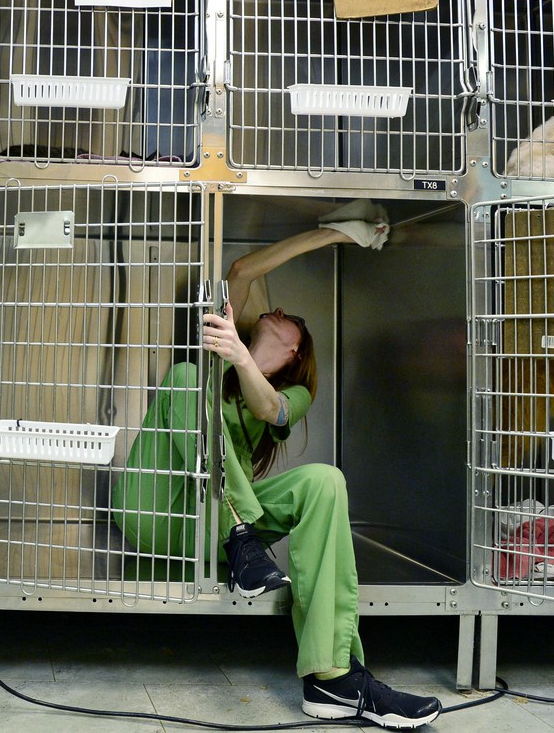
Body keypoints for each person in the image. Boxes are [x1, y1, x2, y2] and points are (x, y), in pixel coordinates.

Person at [112, 207, 444, 730]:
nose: (281, 309)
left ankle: (332, 677)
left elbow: (270, 409)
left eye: (294, 321)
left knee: (325, 481)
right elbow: (243, 270)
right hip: (156, 508)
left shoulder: (294, 392)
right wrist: (337, 234)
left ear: (294, 351)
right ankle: (242, 537)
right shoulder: (217, 356)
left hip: (210, 529)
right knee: (184, 376)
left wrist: (242, 358)